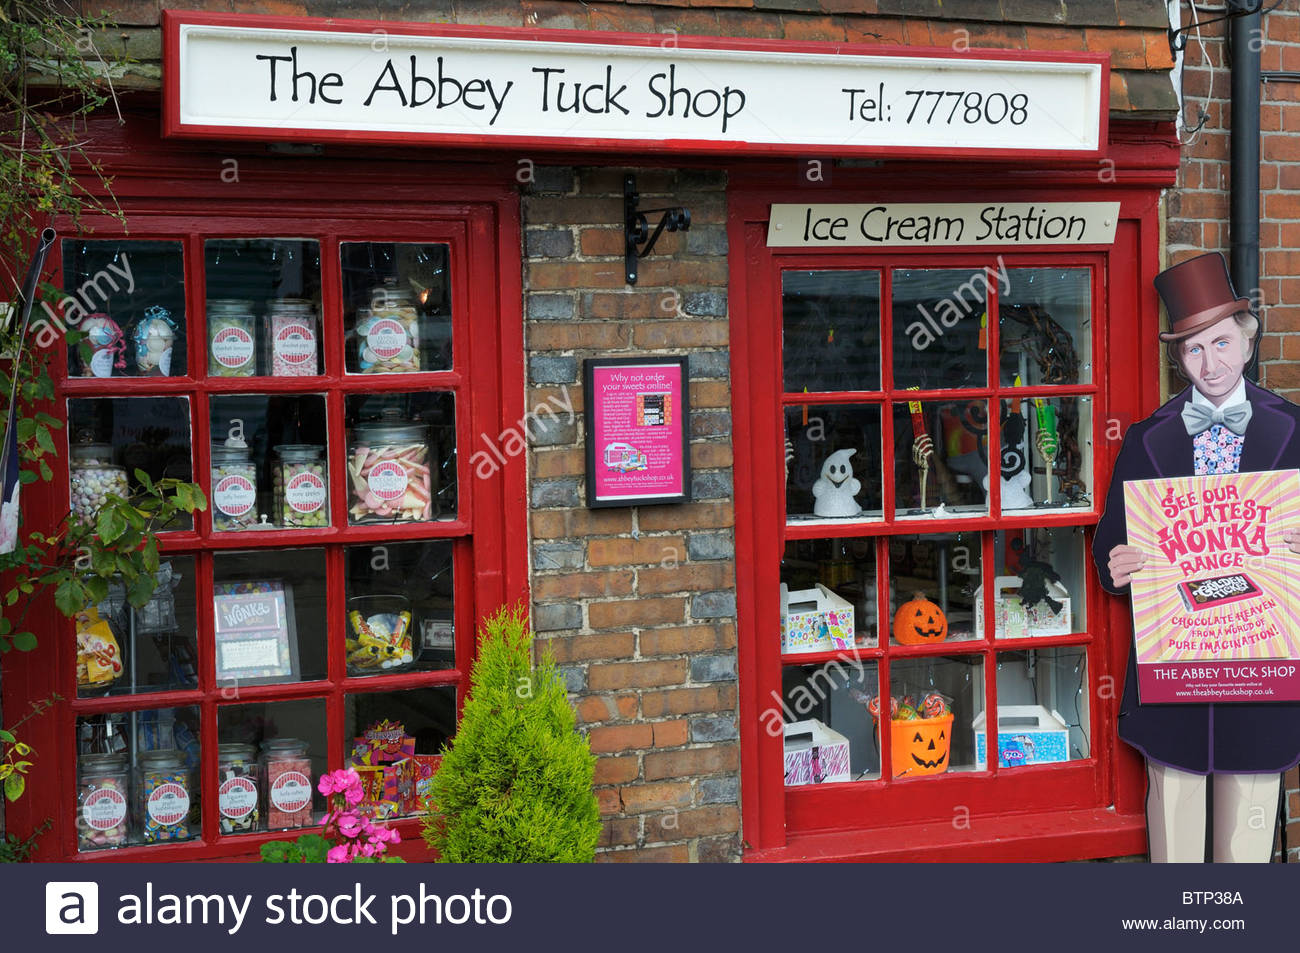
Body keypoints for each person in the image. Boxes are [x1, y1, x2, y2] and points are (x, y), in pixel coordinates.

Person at [1092, 251, 1300, 863]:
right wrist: (1118, 565)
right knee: (1176, 848)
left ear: (1247, 341)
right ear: (1177, 358)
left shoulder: (1295, 431)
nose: (1210, 364)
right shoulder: (1146, 439)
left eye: (1221, 344)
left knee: (1247, 844)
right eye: (1193, 350)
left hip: (1263, 667)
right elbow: (1111, 543)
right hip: (1175, 671)